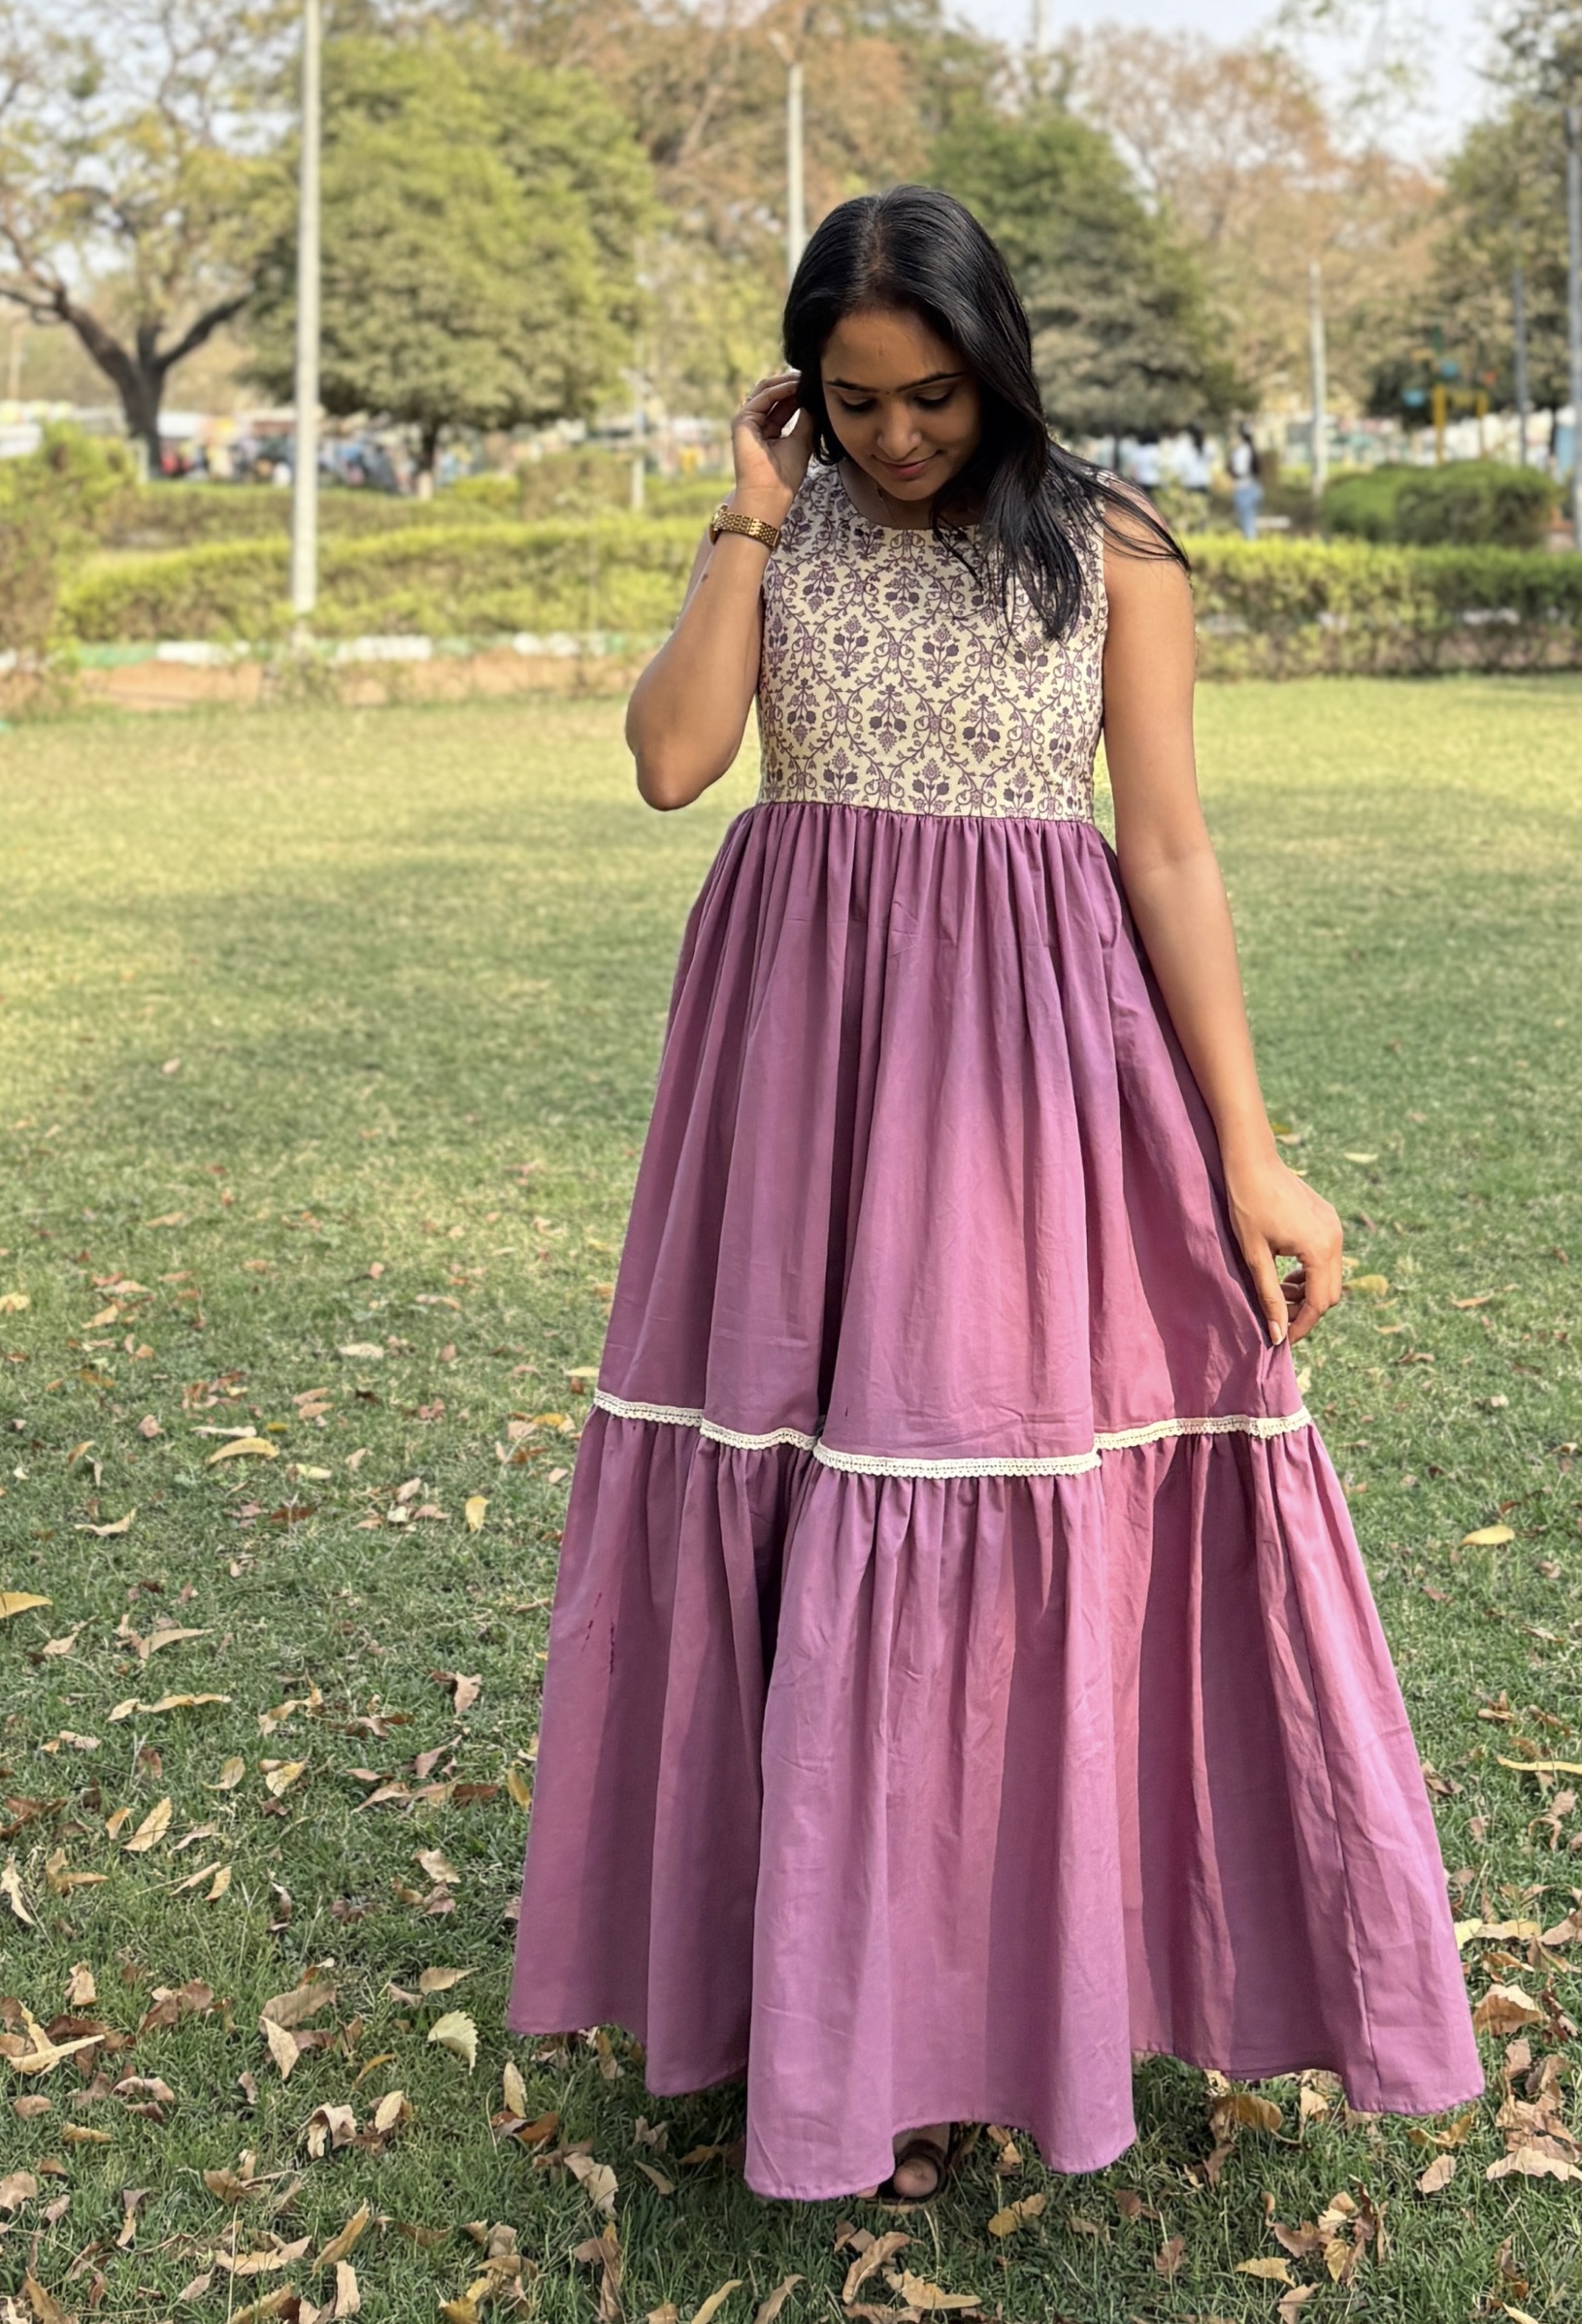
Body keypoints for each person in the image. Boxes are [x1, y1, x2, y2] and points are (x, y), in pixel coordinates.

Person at [509, 184, 1483, 2207]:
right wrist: (744, 513)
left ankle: (990, 2005)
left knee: (966, 1485)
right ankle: (816, 2013)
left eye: (929, 396)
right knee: (800, 1490)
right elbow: (672, 762)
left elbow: (1169, 852)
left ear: (995, 363)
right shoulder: (787, 532)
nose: (893, 438)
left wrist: (1247, 1143)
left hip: (1026, 1071)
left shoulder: (1109, 548)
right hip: (790, 1071)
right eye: (852, 401)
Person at [1229, 424, 1263, 540]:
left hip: (1244, 489)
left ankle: (1250, 549)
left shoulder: (1241, 451)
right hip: (1254, 487)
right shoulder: (1252, 449)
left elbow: (1238, 472)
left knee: (1246, 524)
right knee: (1250, 522)